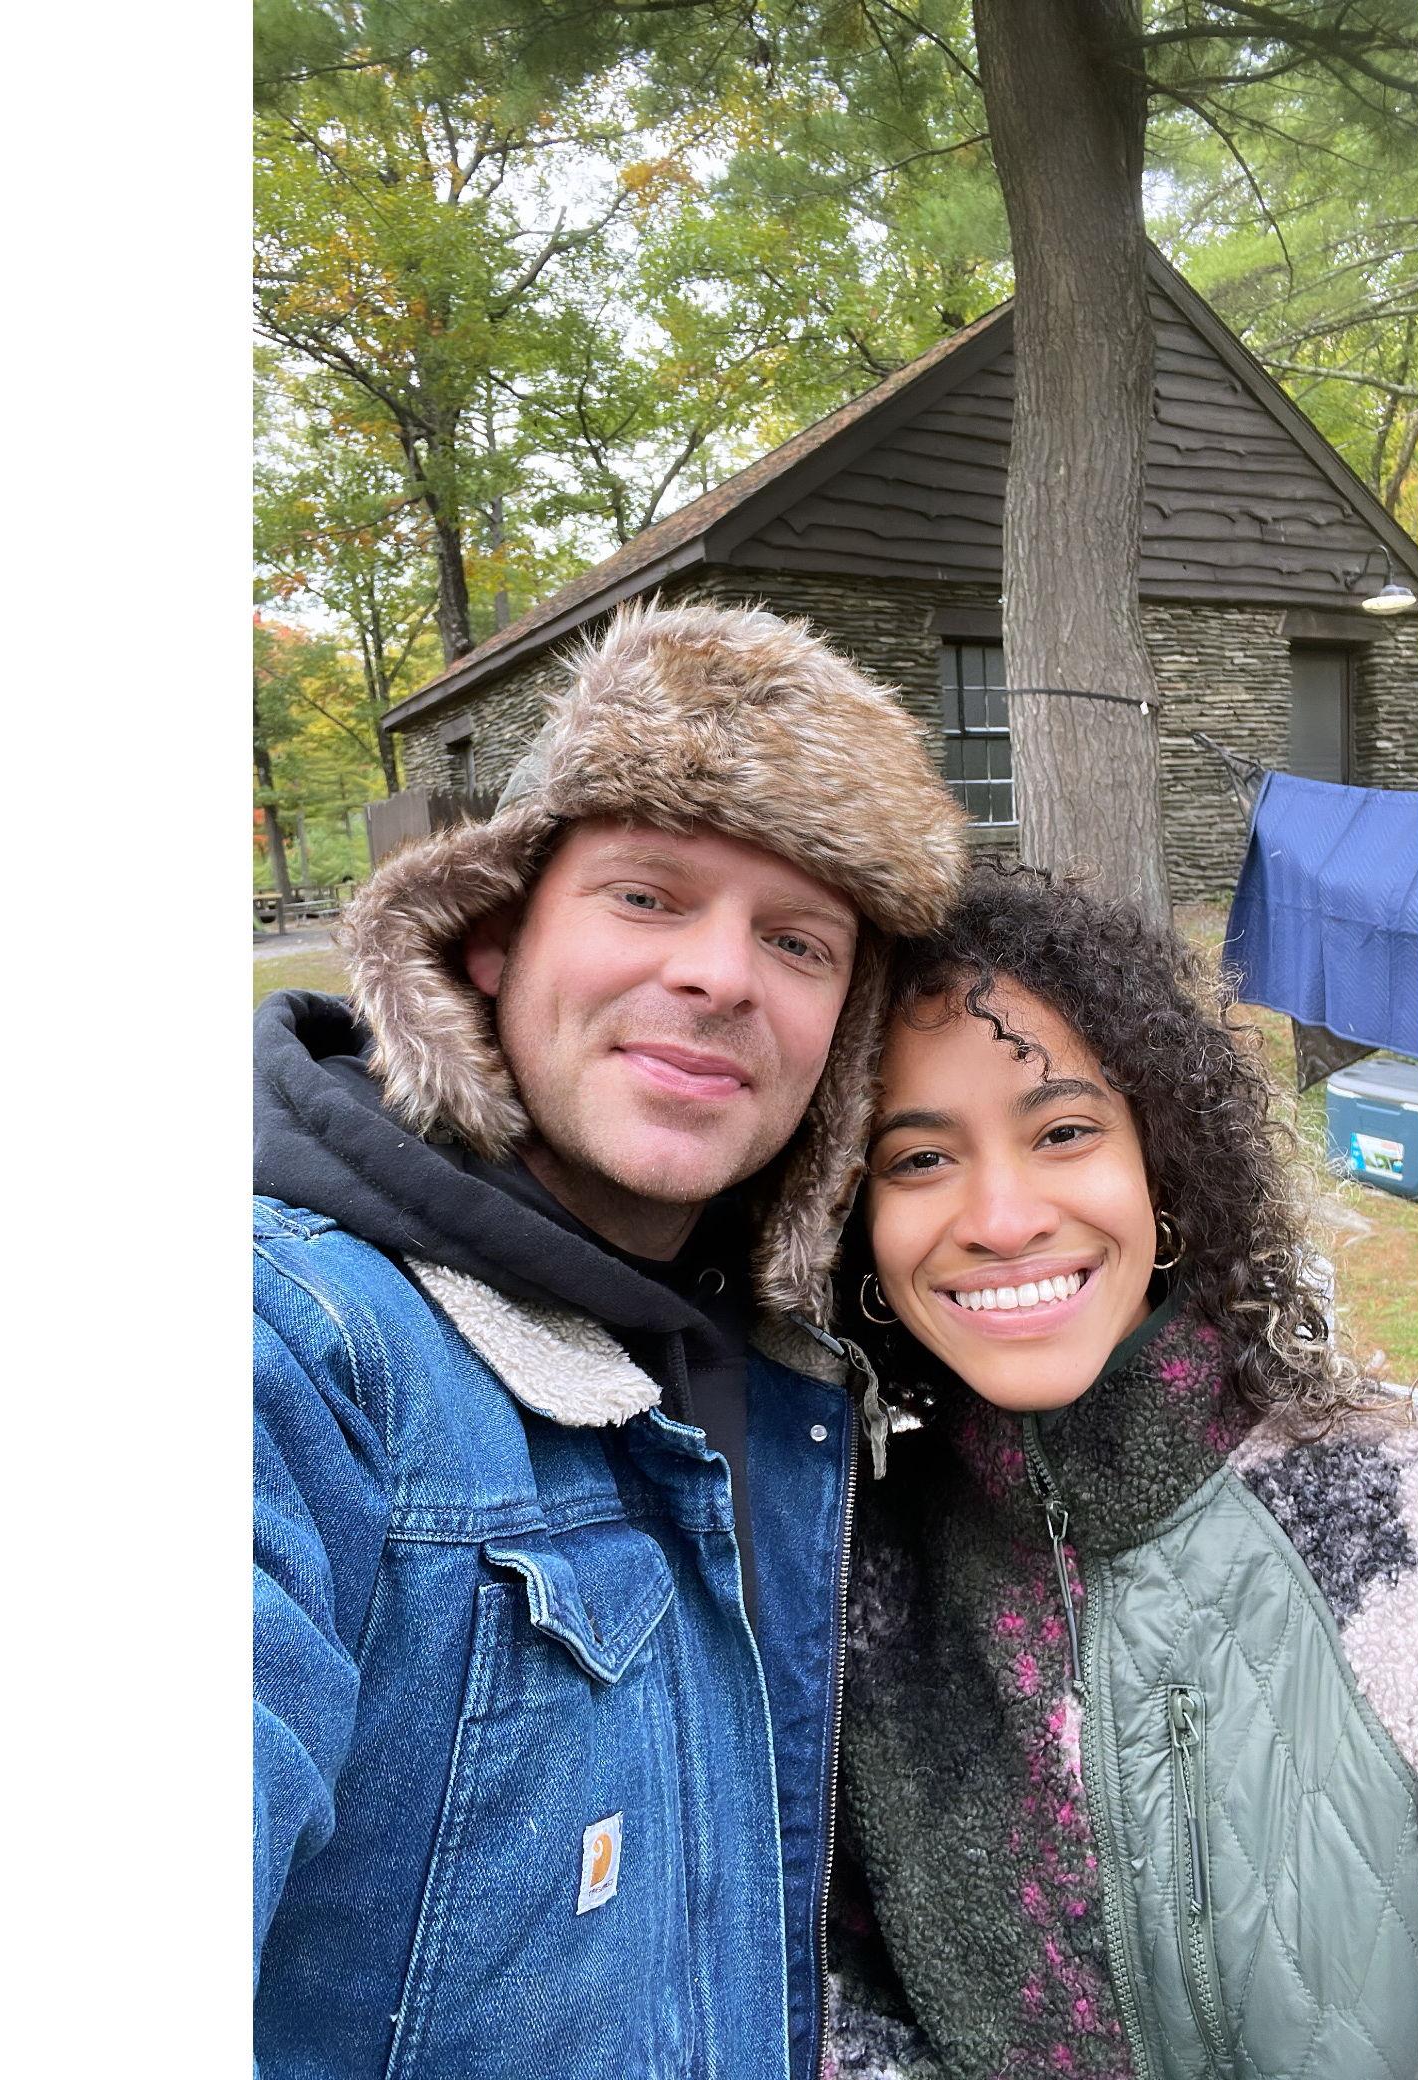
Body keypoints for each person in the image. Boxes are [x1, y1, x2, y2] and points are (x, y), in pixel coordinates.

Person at [252, 600, 969, 2080]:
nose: (721, 975)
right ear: (495, 936)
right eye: (649, 897)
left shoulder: (806, 1370)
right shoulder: (300, 1354)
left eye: (797, 940)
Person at [821, 862, 1418, 2080]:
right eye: (919, 1159)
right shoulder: (833, 1577)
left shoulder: (1402, 1503)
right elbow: (823, 1991)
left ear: (1165, 1154)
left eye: (1062, 1131)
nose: (1001, 1215)